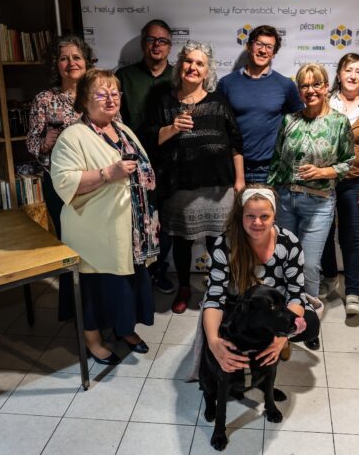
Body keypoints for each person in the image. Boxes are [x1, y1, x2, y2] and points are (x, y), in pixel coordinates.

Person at [50, 68, 158, 365]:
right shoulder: (73, 136)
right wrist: (107, 173)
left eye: (114, 93)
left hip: (130, 229)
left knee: (127, 283)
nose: (111, 99)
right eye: (101, 94)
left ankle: (125, 329)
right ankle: (93, 340)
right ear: (85, 99)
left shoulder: (123, 130)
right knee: (96, 286)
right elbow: (63, 181)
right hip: (95, 231)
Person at [151, 40, 244, 314]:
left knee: (220, 243)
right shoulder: (165, 102)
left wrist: (239, 182)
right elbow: (150, 139)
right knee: (182, 242)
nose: (193, 67)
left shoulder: (218, 102)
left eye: (200, 63)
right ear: (180, 66)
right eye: (188, 61)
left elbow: (236, 143)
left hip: (219, 189)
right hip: (180, 187)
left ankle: (219, 288)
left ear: (207, 71)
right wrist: (172, 127)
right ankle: (184, 287)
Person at [268, 63, 354, 350]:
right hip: (285, 201)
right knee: (283, 261)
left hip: (318, 203)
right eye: (304, 85)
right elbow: (277, 159)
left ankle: (308, 325)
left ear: (326, 86)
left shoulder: (339, 123)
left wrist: (323, 172)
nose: (310, 90)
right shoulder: (289, 120)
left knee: (309, 266)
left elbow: (348, 161)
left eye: (316, 84)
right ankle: (283, 321)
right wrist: (270, 192)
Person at [203, 186, 320, 372]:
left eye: (264, 216)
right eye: (250, 216)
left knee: (311, 324)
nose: (257, 222)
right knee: (215, 329)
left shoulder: (289, 243)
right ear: (241, 216)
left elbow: (296, 294)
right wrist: (213, 342)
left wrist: (282, 336)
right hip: (241, 307)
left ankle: (279, 340)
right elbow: (214, 298)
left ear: (274, 216)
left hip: (278, 306)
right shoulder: (224, 244)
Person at [26, 34, 98, 322]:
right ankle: (74, 309)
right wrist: (44, 143)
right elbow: (31, 142)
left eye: (77, 57)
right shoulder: (45, 99)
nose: (71, 63)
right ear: (56, 64)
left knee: (97, 243)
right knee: (71, 244)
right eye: (64, 58)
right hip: (61, 186)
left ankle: (98, 308)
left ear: (86, 61)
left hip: (97, 183)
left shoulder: (98, 93)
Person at [320, 53, 359, 316]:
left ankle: (353, 292)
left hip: (354, 183)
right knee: (323, 234)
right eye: (348, 70)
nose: (353, 75)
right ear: (339, 74)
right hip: (324, 181)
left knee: (350, 238)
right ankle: (329, 277)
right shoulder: (325, 102)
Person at [115, 19, 176, 294]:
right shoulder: (124, 76)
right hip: (133, 163)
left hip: (170, 163)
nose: (156, 45)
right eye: (151, 39)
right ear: (143, 44)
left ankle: (159, 269)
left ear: (170, 47)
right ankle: (139, 274)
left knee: (167, 222)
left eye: (162, 41)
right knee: (136, 220)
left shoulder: (178, 77)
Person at [216, 25, 304, 183]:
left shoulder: (285, 85)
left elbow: (301, 123)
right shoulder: (226, 83)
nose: (263, 50)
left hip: (269, 171)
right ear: (249, 46)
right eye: (259, 44)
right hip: (232, 169)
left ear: (274, 53)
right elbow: (218, 126)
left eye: (269, 47)